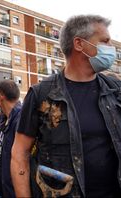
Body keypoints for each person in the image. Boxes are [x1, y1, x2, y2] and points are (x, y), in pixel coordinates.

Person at [11, 15, 121, 197]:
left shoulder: (115, 89)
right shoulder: (41, 94)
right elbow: (19, 153)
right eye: (105, 42)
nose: (112, 49)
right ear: (79, 44)